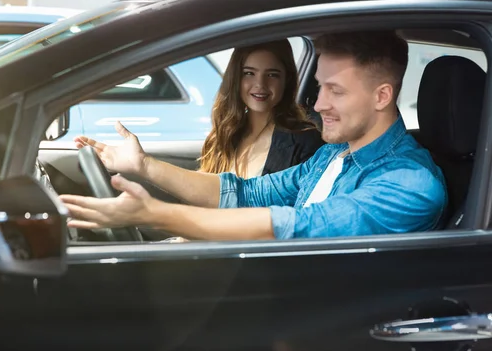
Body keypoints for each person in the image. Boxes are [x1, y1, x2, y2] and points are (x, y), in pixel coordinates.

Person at [59, 31, 447, 240]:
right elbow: (246, 193)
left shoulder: (410, 182)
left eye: (336, 90)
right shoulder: (334, 155)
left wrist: (157, 215)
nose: (319, 103)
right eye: (319, 87)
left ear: (383, 96)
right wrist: (144, 166)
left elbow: (298, 226)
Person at [199, 40, 323, 178]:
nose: (260, 84)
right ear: (236, 78)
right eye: (249, 73)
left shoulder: (306, 141)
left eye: (272, 75)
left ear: (286, 80)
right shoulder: (223, 134)